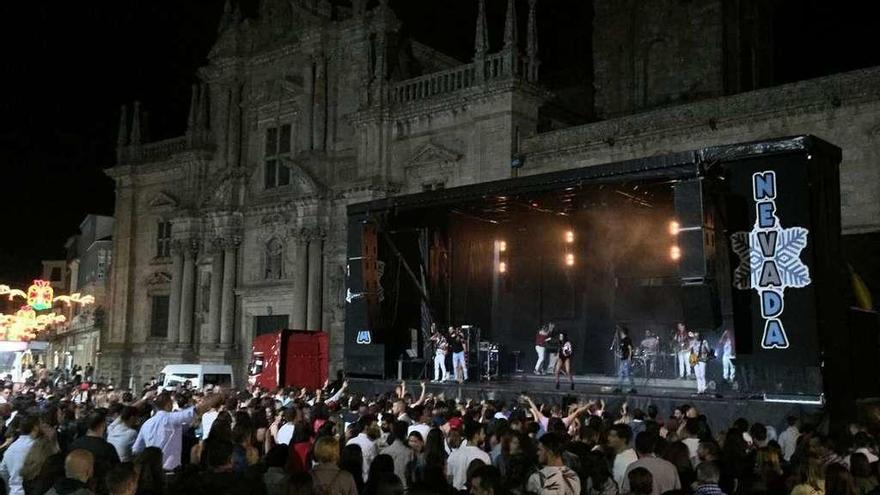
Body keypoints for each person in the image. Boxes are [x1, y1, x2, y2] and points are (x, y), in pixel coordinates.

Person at [132, 389, 225, 471]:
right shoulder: (172, 418)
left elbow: (136, 449)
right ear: (168, 404)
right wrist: (219, 396)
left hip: (151, 471)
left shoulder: (146, 424)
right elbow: (197, 410)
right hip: (171, 471)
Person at [70, 409, 121, 494]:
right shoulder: (107, 448)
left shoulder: (74, 444)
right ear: (103, 425)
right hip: (100, 489)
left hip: (75, 488)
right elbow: (116, 471)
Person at [0, 413, 40, 495]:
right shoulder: (38, 447)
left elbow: (3, 472)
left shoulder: (10, 448)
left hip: (14, 491)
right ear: (36, 427)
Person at [448, 421, 491, 491]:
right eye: (483, 433)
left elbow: (449, 478)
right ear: (476, 435)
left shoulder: (453, 455)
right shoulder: (484, 457)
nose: (485, 435)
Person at [381, 420, 415, 490]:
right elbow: (412, 475)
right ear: (406, 433)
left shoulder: (384, 451)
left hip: (389, 489)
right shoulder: (410, 452)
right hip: (405, 488)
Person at [347, 418, 381, 483]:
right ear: (366, 427)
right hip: (365, 482)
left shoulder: (350, 441)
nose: (378, 428)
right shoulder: (372, 445)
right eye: (374, 425)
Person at [608, 424, 638, 488]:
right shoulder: (612, 454)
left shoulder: (628, 459)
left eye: (613, 436)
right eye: (609, 435)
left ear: (623, 439)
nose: (608, 438)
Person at [615, 325, 636, 394]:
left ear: (623, 332)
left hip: (627, 360)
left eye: (621, 332)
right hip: (623, 359)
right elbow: (623, 350)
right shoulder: (622, 340)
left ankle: (633, 388)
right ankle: (619, 388)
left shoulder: (627, 339)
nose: (620, 334)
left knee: (628, 374)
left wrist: (630, 358)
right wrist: (619, 355)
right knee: (621, 373)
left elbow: (630, 349)